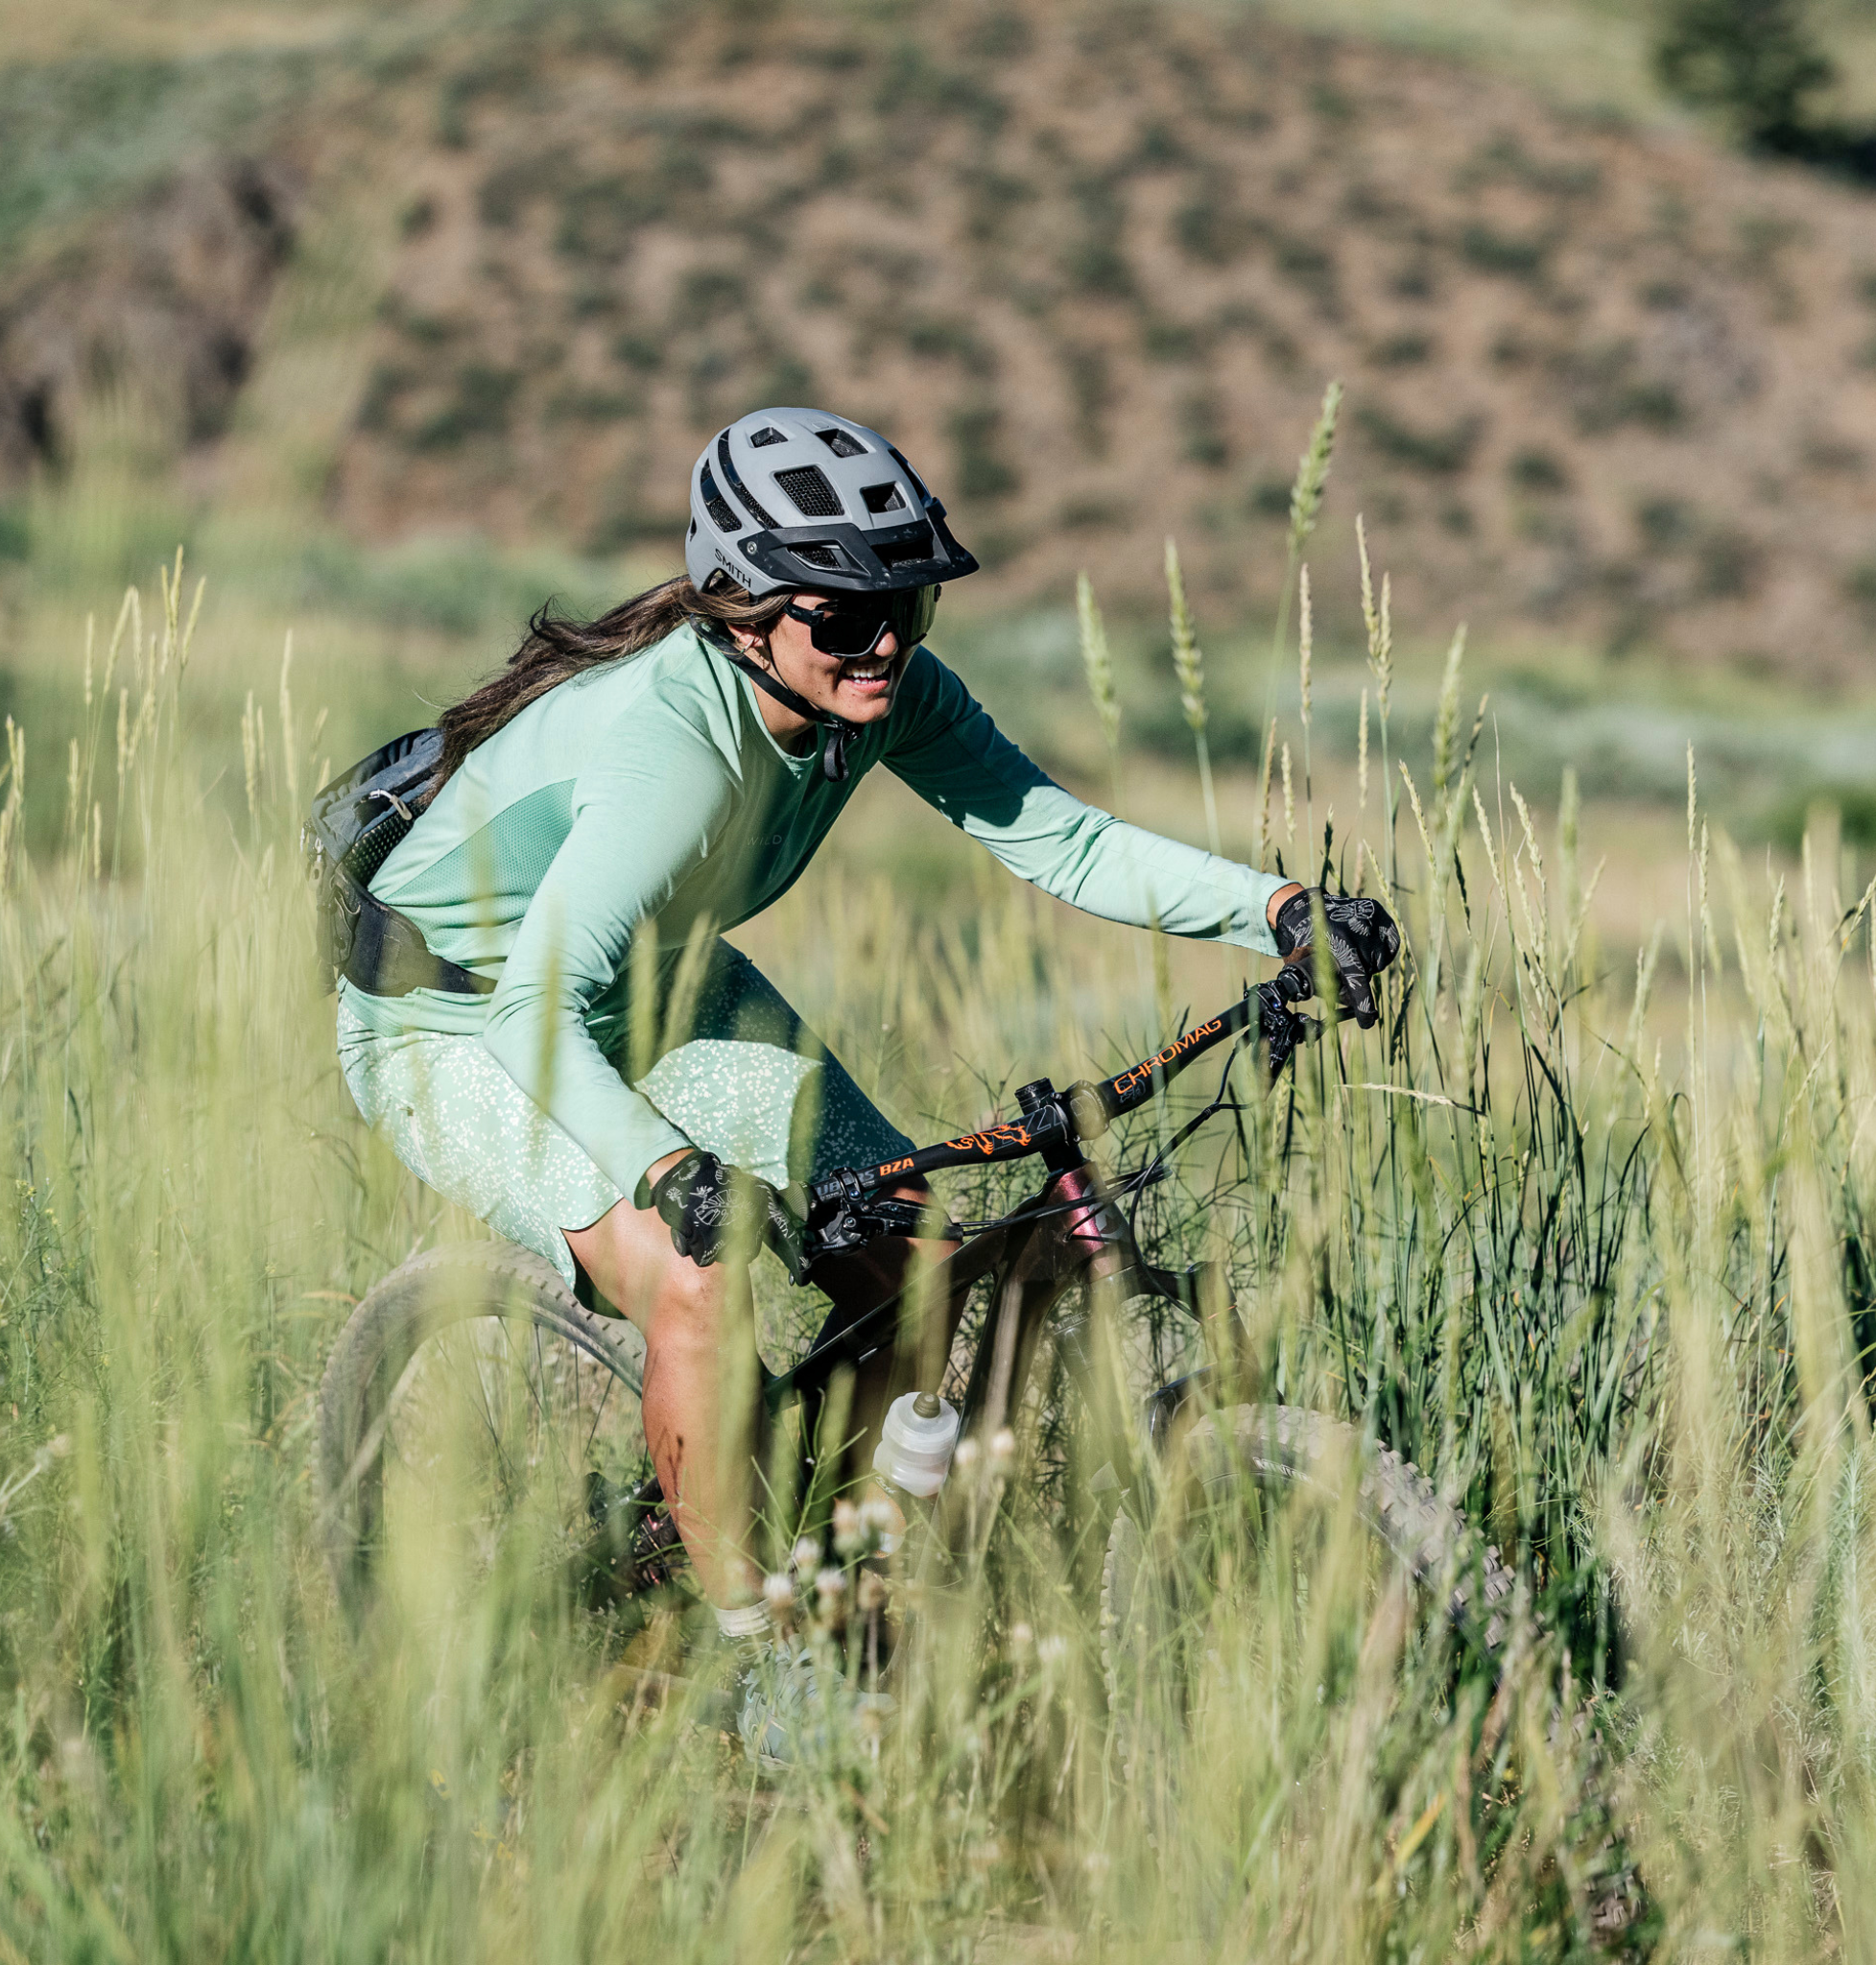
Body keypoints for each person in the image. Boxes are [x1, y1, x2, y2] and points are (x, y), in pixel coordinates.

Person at [335, 404, 1396, 1668]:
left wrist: (1277, 909)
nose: (886, 640)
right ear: (743, 608)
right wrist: (668, 1171)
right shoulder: (673, 744)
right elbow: (533, 1006)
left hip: (655, 981)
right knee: (697, 1281)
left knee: (917, 1255)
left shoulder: (879, 695)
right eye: (843, 616)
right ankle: (755, 1648)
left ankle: (836, 1546)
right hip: (453, 1022)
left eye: (909, 604)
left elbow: (1062, 841)